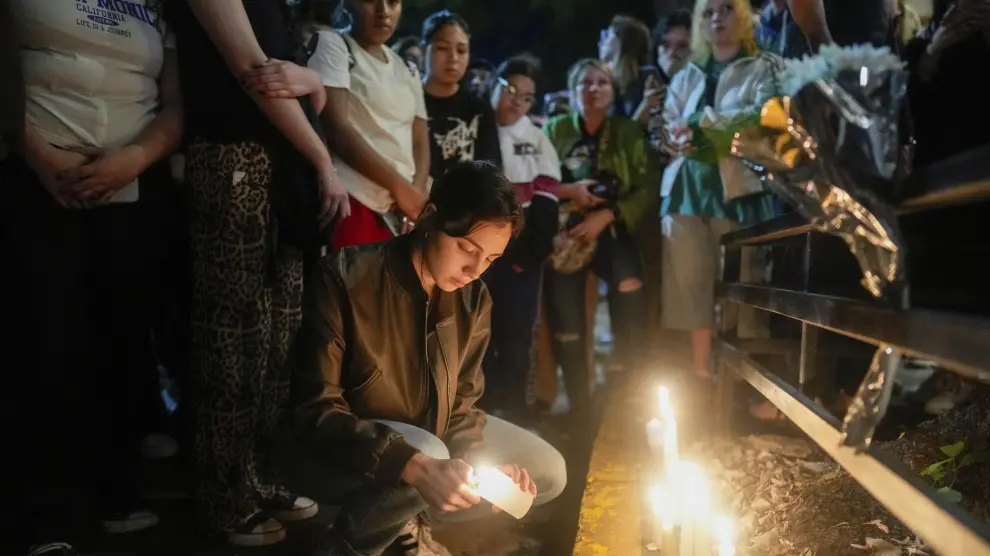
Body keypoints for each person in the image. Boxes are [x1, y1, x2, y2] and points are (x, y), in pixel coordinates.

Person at [280, 161, 567, 556]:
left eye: (490, 259)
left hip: (432, 443)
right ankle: (348, 544)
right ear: (429, 217)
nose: (474, 269)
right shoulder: (345, 278)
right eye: (467, 248)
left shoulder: (474, 299)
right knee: (428, 453)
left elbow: (463, 406)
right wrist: (413, 463)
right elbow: (315, 411)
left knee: (548, 471)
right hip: (338, 450)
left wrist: (479, 467)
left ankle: (409, 519)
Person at [6, 0, 182, 550]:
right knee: (44, 345)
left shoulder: (154, 6)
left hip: (134, 186)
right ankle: (42, 517)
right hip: (35, 180)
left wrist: (136, 158)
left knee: (121, 341)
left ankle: (115, 489)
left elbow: (178, 102)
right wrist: (38, 157)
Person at [171, 0, 349, 545]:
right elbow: (253, 72)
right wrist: (323, 159)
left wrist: (310, 80)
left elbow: (302, 86)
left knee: (278, 340)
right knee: (233, 340)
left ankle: (257, 477)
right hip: (232, 160)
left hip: (284, 169)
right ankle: (223, 497)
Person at [660, 0, 777, 387]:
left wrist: (703, 124)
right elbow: (669, 123)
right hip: (686, 190)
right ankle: (700, 375)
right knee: (690, 287)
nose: (716, 18)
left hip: (738, 189)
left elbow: (762, 118)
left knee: (742, 287)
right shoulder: (689, 73)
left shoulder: (760, 67)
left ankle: (740, 382)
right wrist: (674, 136)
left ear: (742, 14)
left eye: (725, 9)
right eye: (708, 12)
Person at [543, 59, 658, 417]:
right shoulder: (555, 128)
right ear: (573, 91)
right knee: (565, 316)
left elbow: (647, 186)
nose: (593, 89)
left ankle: (629, 386)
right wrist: (571, 192)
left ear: (612, 91)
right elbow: (536, 181)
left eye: (601, 83)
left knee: (629, 282)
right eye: (585, 83)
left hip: (612, 225)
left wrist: (609, 213)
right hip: (566, 229)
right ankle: (580, 402)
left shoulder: (627, 130)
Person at [304, 0, 430, 249]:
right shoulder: (334, 45)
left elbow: (419, 141)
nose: (384, 11)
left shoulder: (408, 70)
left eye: (392, 2)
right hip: (353, 201)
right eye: (371, 1)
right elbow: (336, 127)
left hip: (402, 213)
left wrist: (415, 196)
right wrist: (401, 189)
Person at [482, 56, 561, 419]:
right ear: (496, 85)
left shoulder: (537, 139)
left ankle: (515, 417)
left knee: (516, 340)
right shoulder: (478, 128)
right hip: (475, 256)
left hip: (520, 260)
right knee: (478, 339)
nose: (517, 102)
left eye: (527, 97)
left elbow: (547, 202)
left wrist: (525, 256)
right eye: (511, 90)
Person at [421, 10, 501, 183]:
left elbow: (491, 170)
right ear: (424, 50)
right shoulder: (408, 100)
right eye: (443, 48)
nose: (453, 58)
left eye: (461, 50)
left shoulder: (479, 109)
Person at [598, 14, 654, 119]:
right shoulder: (599, 82)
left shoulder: (648, 80)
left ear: (622, 42)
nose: (601, 41)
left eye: (608, 35)